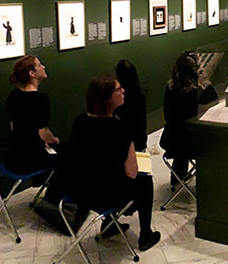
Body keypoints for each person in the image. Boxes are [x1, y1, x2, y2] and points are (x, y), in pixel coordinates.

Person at [65, 75, 161, 250]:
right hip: (107, 195)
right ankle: (145, 235)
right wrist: (130, 145)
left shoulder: (80, 121)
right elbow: (131, 173)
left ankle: (109, 225)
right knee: (145, 180)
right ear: (107, 98)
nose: (123, 90)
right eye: (118, 89)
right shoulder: (119, 128)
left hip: (81, 191)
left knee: (106, 174)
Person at [5, 55, 59, 177]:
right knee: (69, 155)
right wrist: (55, 140)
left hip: (13, 157)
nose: (43, 67)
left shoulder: (13, 95)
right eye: (39, 65)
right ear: (31, 73)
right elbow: (44, 134)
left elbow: (14, 127)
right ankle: (53, 195)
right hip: (31, 160)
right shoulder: (40, 99)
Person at [159, 51, 199, 189]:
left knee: (180, 146)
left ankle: (177, 178)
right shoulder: (196, 91)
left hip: (170, 140)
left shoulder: (170, 88)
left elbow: (167, 115)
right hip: (192, 143)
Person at [114, 60, 148, 152]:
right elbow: (142, 123)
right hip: (138, 140)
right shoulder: (139, 96)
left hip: (123, 142)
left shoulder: (117, 99)